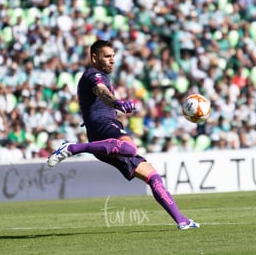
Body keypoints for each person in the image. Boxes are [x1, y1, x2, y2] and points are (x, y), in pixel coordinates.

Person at [47, 40, 200, 230]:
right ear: (94, 58)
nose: (112, 60)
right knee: (130, 147)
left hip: (107, 139)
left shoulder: (101, 76)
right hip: (101, 127)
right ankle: (73, 147)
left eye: (113, 56)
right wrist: (117, 103)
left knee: (153, 177)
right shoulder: (92, 75)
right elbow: (101, 92)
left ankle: (182, 221)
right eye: (107, 56)